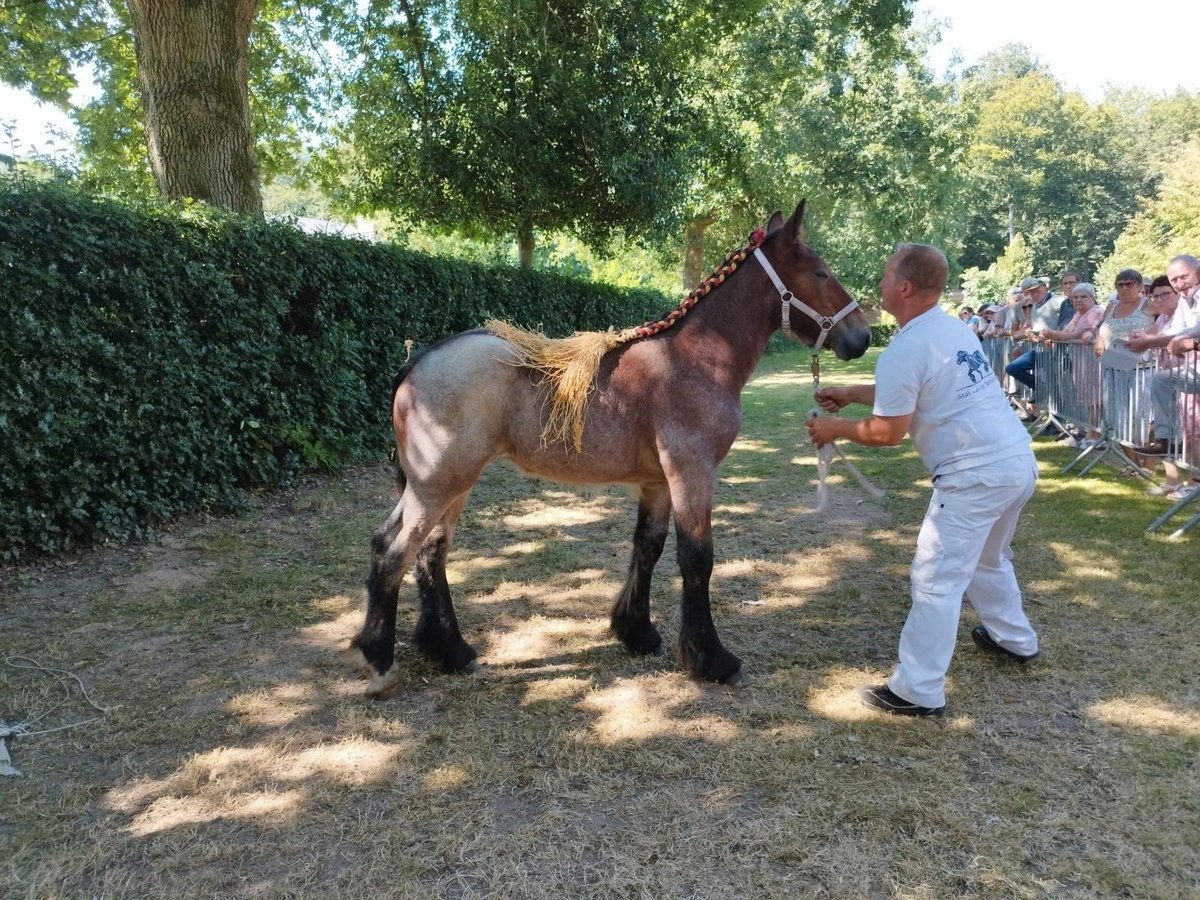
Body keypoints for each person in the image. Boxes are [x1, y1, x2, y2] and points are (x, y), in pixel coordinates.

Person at [806, 243, 1039, 718]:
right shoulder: (950, 328)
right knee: (989, 559)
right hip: (1015, 463)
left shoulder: (907, 346)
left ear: (905, 287)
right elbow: (916, 388)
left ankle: (917, 689)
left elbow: (887, 432)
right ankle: (1013, 638)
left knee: (935, 579)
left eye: (887, 275)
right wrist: (852, 393)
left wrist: (834, 429)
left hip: (973, 477)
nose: (879, 284)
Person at [1126, 255, 1200, 457]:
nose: (1180, 284)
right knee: (1162, 381)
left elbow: (1192, 330)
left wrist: (1186, 342)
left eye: (1184, 276)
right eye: (1174, 280)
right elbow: (1187, 329)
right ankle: (1166, 441)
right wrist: (1146, 338)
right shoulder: (1187, 300)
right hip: (1191, 370)